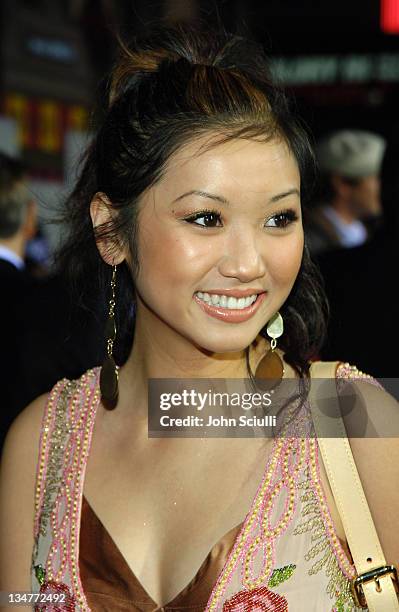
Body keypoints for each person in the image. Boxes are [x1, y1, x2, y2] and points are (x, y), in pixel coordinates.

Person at [1, 22, 398, 612]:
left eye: (279, 219)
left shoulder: (357, 423)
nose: (249, 264)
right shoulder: (40, 442)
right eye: (207, 219)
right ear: (112, 229)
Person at [316, 124, 399, 378]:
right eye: (372, 178)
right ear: (342, 183)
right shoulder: (314, 251)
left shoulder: (365, 238)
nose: (377, 187)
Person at [305, 130, 386, 256]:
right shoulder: (312, 243)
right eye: (376, 178)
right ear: (343, 184)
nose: (384, 186)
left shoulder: (367, 231)